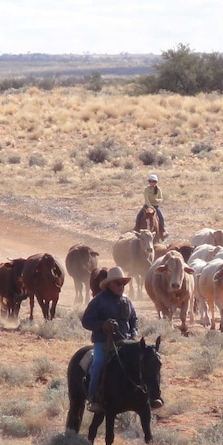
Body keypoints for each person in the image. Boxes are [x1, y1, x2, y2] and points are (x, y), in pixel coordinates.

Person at [81, 266, 139, 413]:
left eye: (123, 284)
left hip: (125, 342)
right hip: (103, 342)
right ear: (109, 284)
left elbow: (134, 319)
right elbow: (86, 321)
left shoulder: (127, 301)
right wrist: (103, 325)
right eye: (118, 283)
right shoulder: (98, 301)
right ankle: (93, 397)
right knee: (98, 364)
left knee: (143, 363)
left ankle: (145, 396)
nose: (121, 287)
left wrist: (133, 333)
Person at [135, 174, 166, 239]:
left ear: (156, 182)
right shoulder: (146, 189)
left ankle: (163, 231)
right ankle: (136, 228)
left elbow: (161, 199)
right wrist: (150, 206)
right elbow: (146, 199)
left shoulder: (158, 189)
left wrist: (157, 200)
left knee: (161, 217)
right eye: (150, 181)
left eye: (153, 181)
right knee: (139, 215)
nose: (151, 183)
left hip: (156, 206)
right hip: (147, 205)